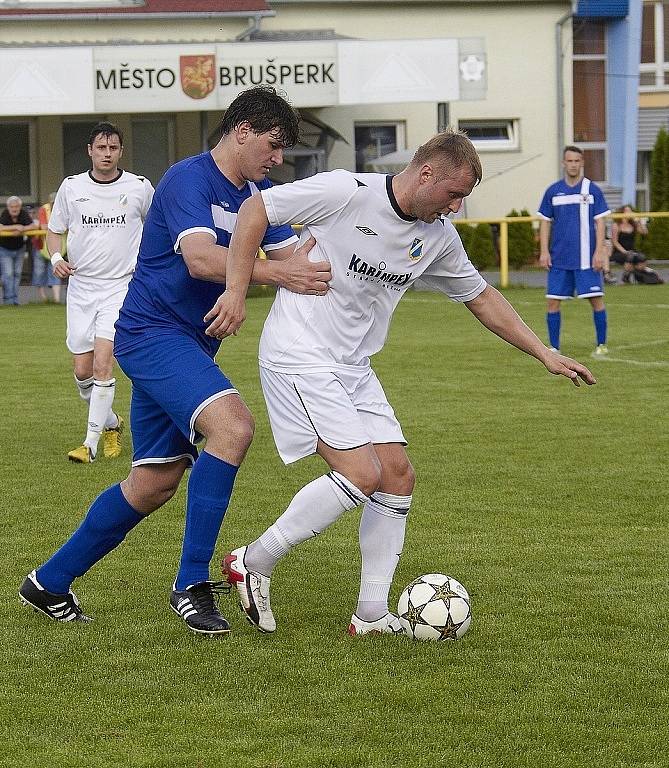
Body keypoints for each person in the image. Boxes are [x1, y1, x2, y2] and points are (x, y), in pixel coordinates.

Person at [206, 130, 597, 637]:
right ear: (427, 172)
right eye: (453, 194)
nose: (455, 208)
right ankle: (253, 561)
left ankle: (370, 614)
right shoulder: (347, 192)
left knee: (396, 475)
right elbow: (256, 210)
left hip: (352, 365)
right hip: (297, 353)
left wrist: (543, 352)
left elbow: (482, 297)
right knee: (360, 474)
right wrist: (241, 288)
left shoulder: (436, 237)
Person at [18, 86, 331, 636]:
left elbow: (295, 257)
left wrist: (366, 252)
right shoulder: (188, 179)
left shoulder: (262, 193)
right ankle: (192, 584)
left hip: (189, 345)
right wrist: (280, 274)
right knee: (233, 427)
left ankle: (48, 582)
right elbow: (201, 259)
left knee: (153, 484)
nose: (277, 159)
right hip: (150, 335)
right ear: (241, 132)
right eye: (273, 145)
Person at [47, 122, 154, 464]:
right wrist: (55, 258)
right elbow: (54, 231)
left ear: (120, 151)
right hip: (81, 288)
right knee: (83, 371)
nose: (107, 154)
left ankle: (89, 445)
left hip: (121, 287)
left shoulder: (139, 187)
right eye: (101, 148)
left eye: (113, 148)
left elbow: (157, 229)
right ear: (90, 150)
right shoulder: (71, 187)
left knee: (105, 362)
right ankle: (111, 423)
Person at [537, 146, 611, 356]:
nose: (573, 165)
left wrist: (598, 252)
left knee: (596, 300)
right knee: (552, 302)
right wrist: (544, 251)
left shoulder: (592, 190)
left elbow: (600, 223)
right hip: (560, 258)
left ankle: (601, 344)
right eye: (569, 161)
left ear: (582, 163)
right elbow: (545, 222)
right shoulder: (553, 191)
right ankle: (554, 347)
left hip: (587, 259)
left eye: (577, 161)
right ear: (563, 163)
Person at [0, 196, 34, 305]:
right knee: (8, 274)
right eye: (12, 207)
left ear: (19, 207)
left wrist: (23, 229)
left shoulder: (23, 214)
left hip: (19, 248)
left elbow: (34, 225)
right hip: (5, 249)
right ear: (8, 207)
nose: (14, 209)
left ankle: (15, 300)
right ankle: (8, 299)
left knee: (17, 274)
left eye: (16, 207)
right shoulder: (5, 214)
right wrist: (16, 227)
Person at [31, 193, 63, 303]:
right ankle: (43, 298)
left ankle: (56, 299)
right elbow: (44, 226)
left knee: (56, 270)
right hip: (41, 245)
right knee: (39, 272)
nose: (55, 204)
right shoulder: (44, 209)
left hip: (57, 247)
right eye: (53, 202)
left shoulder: (63, 209)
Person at [610, 205, 651, 284]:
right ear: (623, 213)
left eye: (630, 211)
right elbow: (615, 242)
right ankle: (626, 276)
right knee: (630, 256)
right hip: (619, 251)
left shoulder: (633, 225)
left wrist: (639, 221)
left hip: (632, 250)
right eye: (627, 211)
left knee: (642, 257)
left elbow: (644, 232)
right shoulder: (616, 225)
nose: (630, 213)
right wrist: (624, 251)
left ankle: (639, 276)